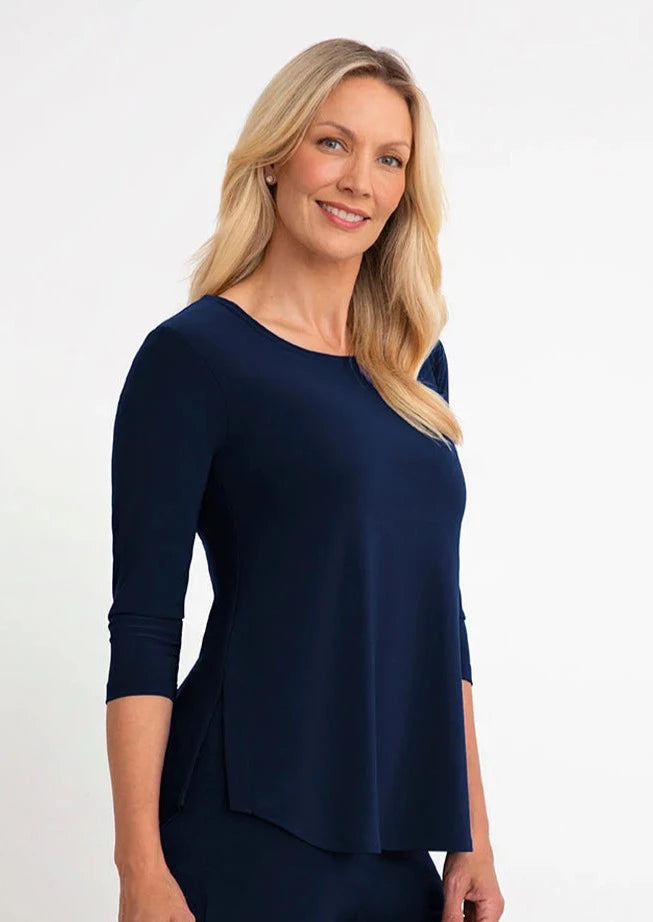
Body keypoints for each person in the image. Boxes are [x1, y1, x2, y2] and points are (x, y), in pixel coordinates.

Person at [105, 37, 505, 922]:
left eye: (389, 158)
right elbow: (143, 625)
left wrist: (470, 834)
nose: (358, 180)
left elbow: (438, 615)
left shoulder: (412, 363)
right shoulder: (193, 358)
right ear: (275, 157)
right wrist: (140, 868)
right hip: (245, 818)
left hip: (393, 831)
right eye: (332, 143)